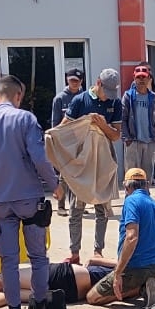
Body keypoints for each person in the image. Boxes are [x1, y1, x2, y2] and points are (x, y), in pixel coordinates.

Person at [0, 73, 59, 309]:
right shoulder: (26, 119)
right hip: (30, 199)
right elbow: (39, 158)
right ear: (18, 96)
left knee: (8, 260)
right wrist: (55, 184)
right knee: (38, 257)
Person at [86, 167, 155, 309]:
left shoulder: (132, 201)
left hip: (135, 266)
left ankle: (141, 288)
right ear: (146, 185)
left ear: (127, 187)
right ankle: (149, 284)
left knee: (92, 297)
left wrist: (118, 273)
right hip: (154, 266)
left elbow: (131, 237)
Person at [61, 68, 122, 262]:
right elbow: (65, 127)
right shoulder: (80, 100)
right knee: (76, 209)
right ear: (98, 83)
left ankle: (98, 250)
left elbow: (116, 135)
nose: (107, 98)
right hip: (82, 161)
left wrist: (103, 125)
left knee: (102, 208)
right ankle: (74, 252)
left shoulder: (115, 103)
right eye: (106, 92)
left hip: (103, 161)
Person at [50, 68, 85, 213]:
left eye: (77, 81)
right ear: (67, 80)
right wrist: (55, 139)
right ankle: (61, 205)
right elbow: (55, 122)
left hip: (80, 140)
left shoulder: (85, 98)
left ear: (81, 81)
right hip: (64, 141)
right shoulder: (59, 98)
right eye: (71, 80)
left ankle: (77, 205)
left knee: (80, 173)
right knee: (64, 174)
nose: (74, 83)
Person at [121, 64, 155, 180]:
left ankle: (145, 197)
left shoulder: (154, 97)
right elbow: (123, 118)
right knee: (131, 176)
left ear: (149, 79)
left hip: (150, 141)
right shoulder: (128, 96)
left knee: (146, 177)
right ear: (134, 78)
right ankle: (131, 198)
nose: (141, 80)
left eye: (144, 77)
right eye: (138, 77)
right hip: (133, 141)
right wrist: (126, 138)